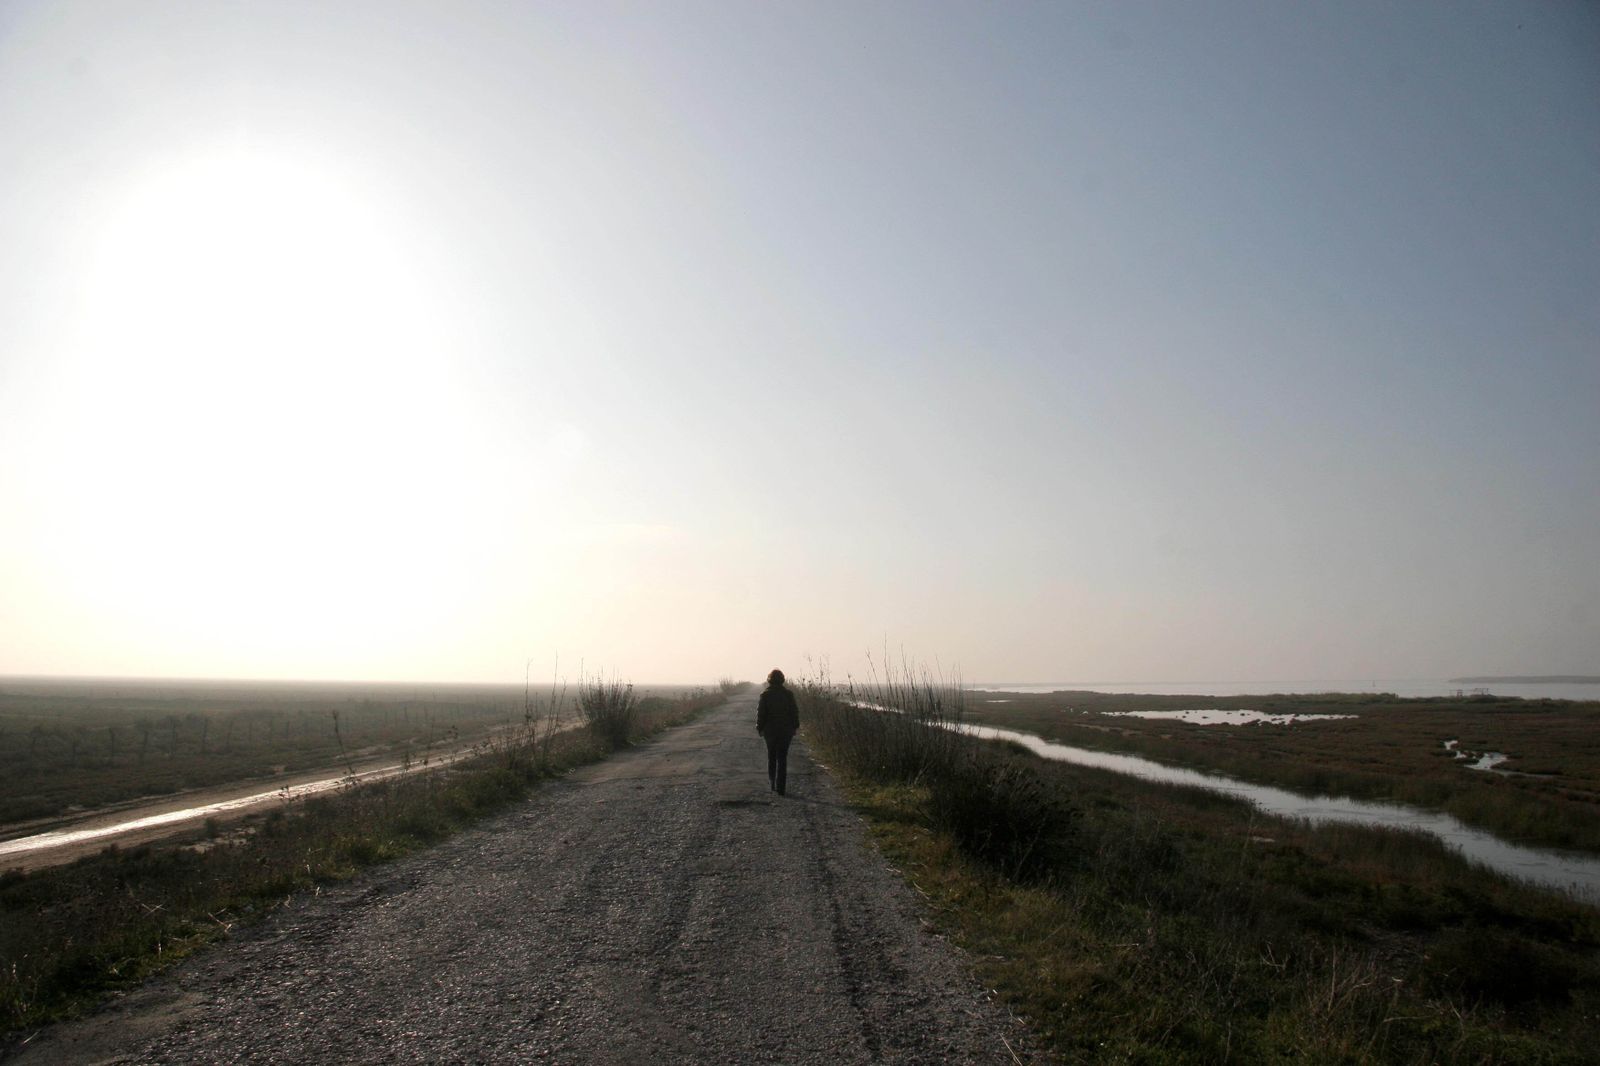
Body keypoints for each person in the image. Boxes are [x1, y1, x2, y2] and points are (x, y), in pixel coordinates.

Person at [756, 668, 799, 796]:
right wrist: (795, 726)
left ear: (769, 680)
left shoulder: (765, 695)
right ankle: (781, 787)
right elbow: (794, 712)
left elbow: (761, 714)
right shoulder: (788, 694)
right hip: (786, 730)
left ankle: (772, 783)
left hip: (770, 731)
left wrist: (759, 727)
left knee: (772, 756)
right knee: (782, 758)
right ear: (782, 680)